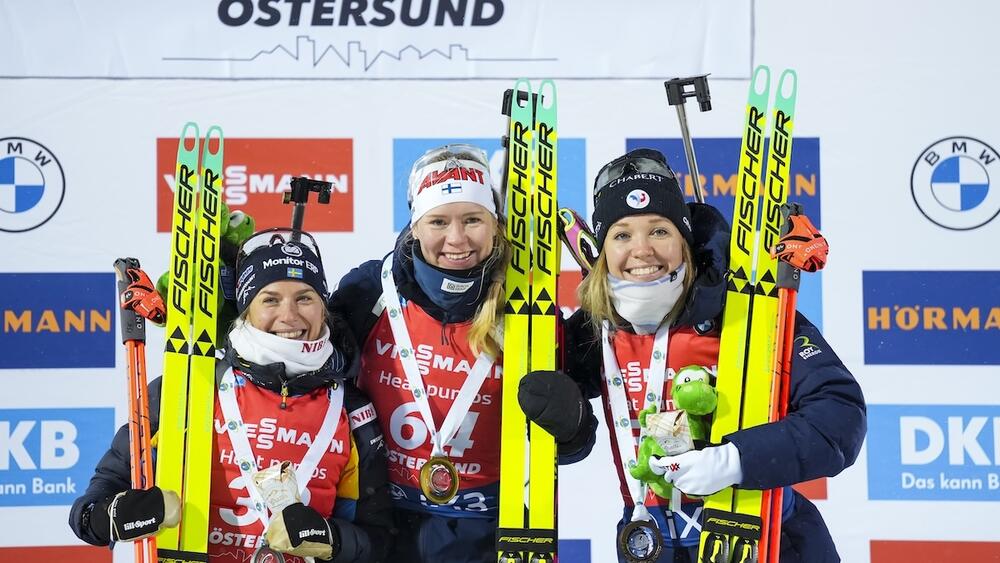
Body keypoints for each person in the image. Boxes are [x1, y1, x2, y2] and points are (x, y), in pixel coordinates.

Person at [555, 148, 866, 562]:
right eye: (622, 234)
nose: (642, 249)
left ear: (684, 239)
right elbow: (556, 435)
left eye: (660, 231)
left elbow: (839, 418)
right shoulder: (598, 329)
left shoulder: (745, 311)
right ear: (601, 250)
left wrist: (736, 460)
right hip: (650, 544)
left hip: (765, 537)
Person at [329, 143, 597, 563]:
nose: (456, 239)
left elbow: (574, 440)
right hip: (382, 528)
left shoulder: (528, 309)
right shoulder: (371, 293)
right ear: (415, 226)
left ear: (495, 226)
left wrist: (572, 423)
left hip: (489, 534)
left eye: (472, 220)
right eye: (438, 221)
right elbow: (313, 380)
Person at [69, 230, 394, 563]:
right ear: (245, 309)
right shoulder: (187, 387)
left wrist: (331, 538)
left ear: (323, 308)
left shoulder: (352, 409)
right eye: (270, 299)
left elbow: (380, 539)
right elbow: (87, 513)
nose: (289, 315)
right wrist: (116, 515)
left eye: (305, 298)